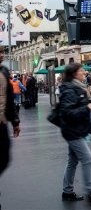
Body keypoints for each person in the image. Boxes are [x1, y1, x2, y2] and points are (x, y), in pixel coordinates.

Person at [59, 63, 91, 205]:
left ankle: (67, 191)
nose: (84, 72)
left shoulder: (78, 87)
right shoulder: (70, 90)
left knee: (72, 161)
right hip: (72, 131)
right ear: (74, 74)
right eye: (81, 71)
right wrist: (86, 108)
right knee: (88, 159)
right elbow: (68, 113)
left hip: (76, 129)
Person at [0, 47, 20, 209]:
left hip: (2, 123)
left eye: (1, 52)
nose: (1, 55)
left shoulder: (4, 72)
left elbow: (9, 100)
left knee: (4, 158)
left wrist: (15, 121)